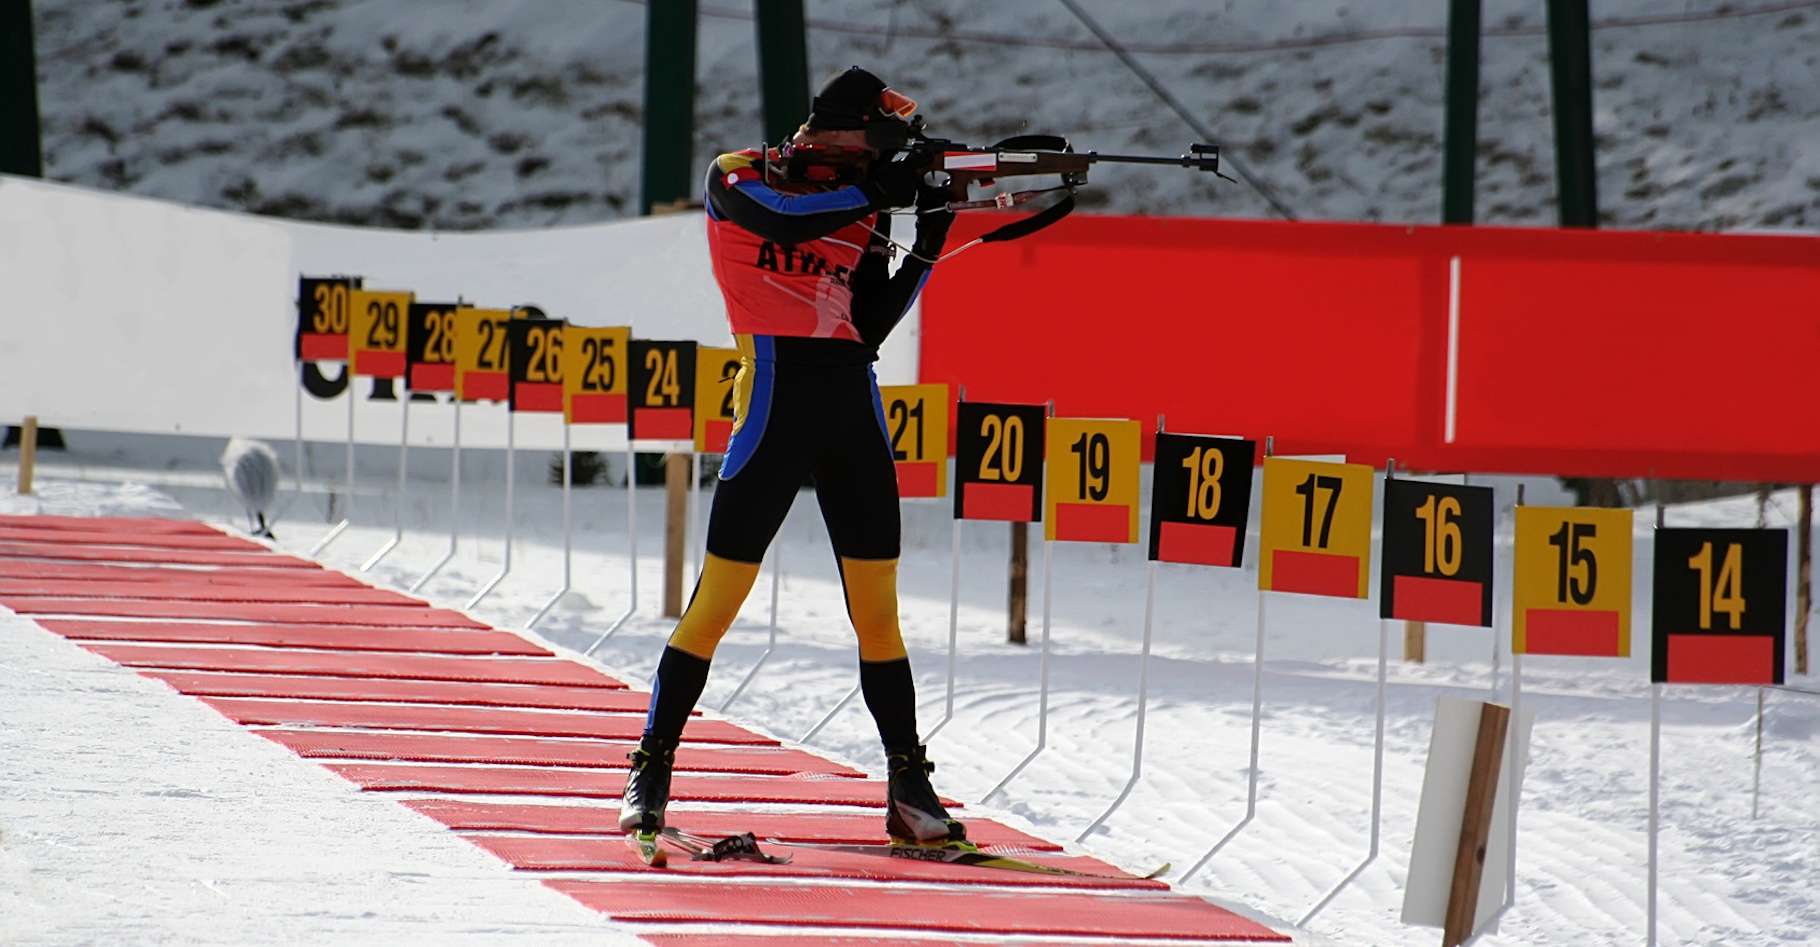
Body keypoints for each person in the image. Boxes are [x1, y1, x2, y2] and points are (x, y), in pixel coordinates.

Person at [619, 67, 964, 846]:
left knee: (878, 613)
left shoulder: (859, 200)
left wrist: (929, 238)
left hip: (849, 401)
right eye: (876, 145)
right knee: (717, 601)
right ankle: (651, 764)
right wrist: (884, 192)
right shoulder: (738, 174)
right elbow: (778, 222)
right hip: (773, 399)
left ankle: (909, 786)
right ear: (837, 133)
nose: (882, 160)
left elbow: (867, 324)